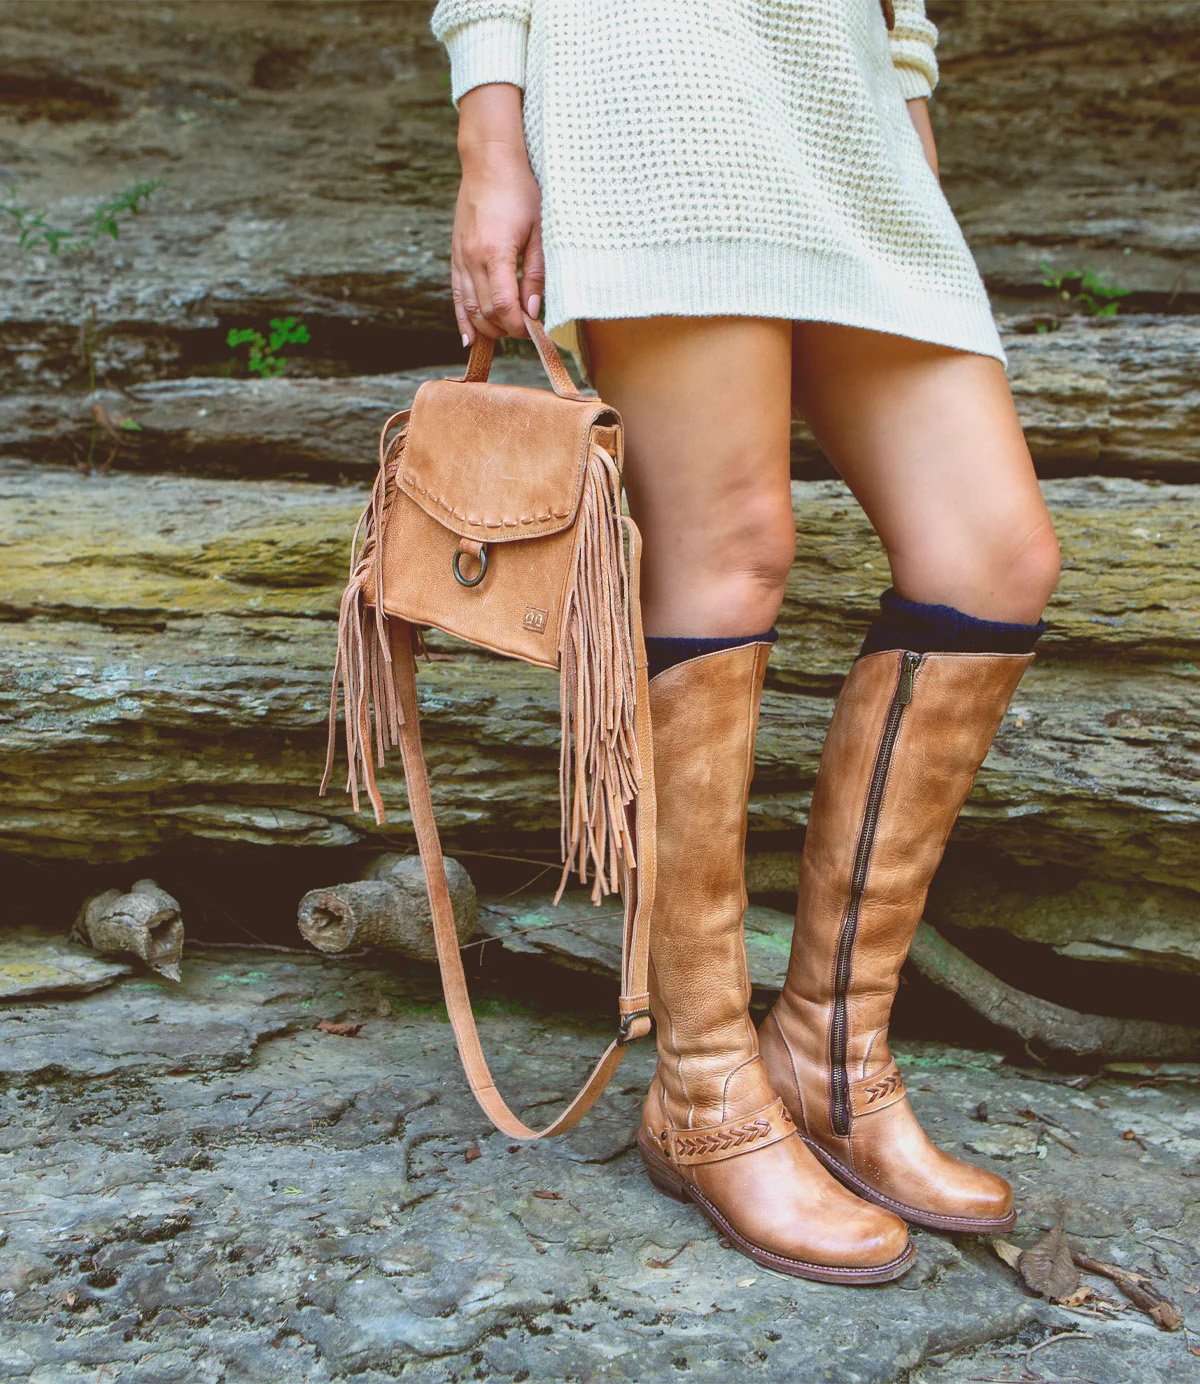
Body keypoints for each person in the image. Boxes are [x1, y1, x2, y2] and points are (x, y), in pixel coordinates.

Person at [429, 0, 1060, 1284]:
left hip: (843, 99)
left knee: (992, 552)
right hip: (658, 78)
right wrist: (490, 137)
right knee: (728, 551)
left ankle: (831, 1055)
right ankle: (706, 1086)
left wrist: (908, 94)